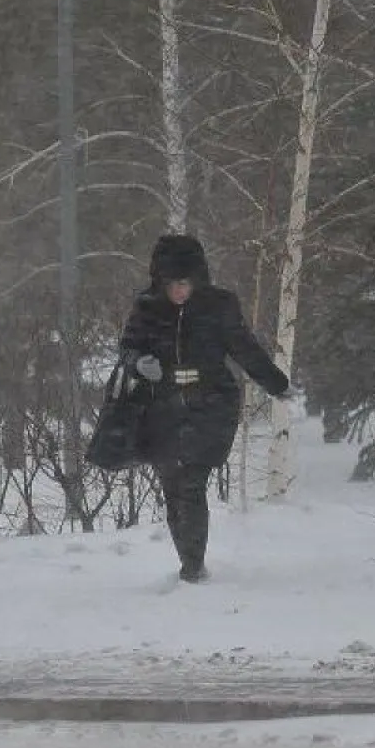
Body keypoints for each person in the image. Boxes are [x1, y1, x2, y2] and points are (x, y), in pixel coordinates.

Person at [118, 234, 292, 582]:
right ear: (160, 281)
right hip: (162, 406)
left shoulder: (220, 305)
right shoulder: (147, 307)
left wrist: (277, 385)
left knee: (193, 484)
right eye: (172, 284)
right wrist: (138, 362)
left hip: (211, 403)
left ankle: (192, 569)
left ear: (197, 279)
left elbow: (244, 349)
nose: (180, 291)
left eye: (186, 282)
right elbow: (127, 347)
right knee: (172, 489)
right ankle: (189, 558)